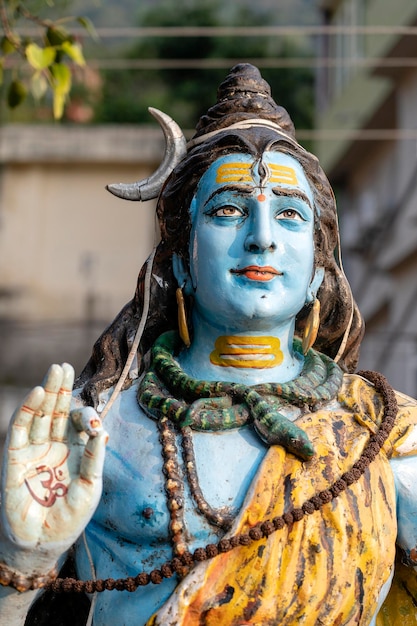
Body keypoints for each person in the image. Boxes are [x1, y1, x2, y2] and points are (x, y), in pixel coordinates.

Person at [1, 64, 417, 626]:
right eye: (228, 210)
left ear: (319, 270)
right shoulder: (97, 430)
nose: (262, 236)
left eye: (290, 215)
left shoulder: (384, 434)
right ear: (180, 261)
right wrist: (22, 556)